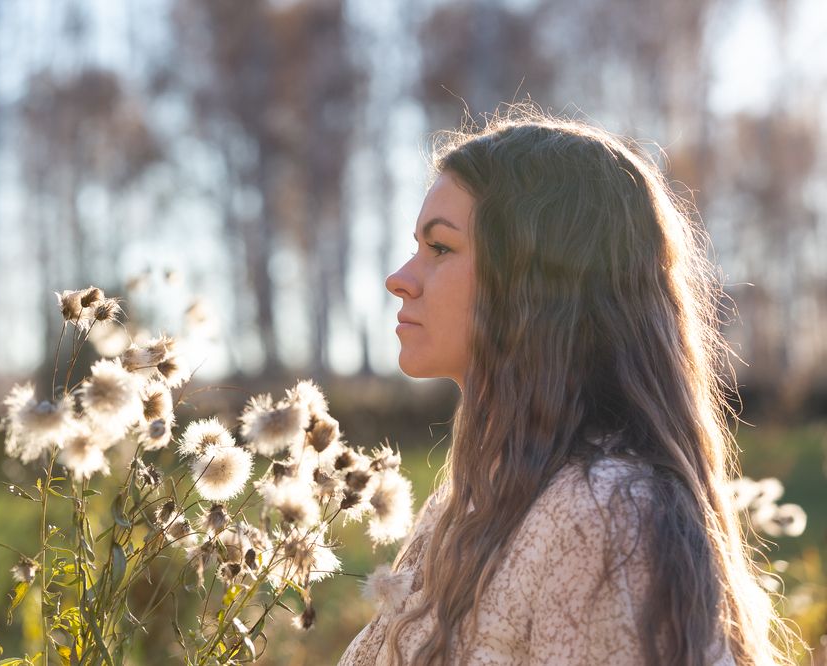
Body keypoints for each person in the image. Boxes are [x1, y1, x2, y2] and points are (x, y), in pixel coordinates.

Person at [338, 108, 802, 665]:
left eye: (440, 248)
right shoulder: (474, 501)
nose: (399, 279)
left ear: (537, 284)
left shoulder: (602, 519)